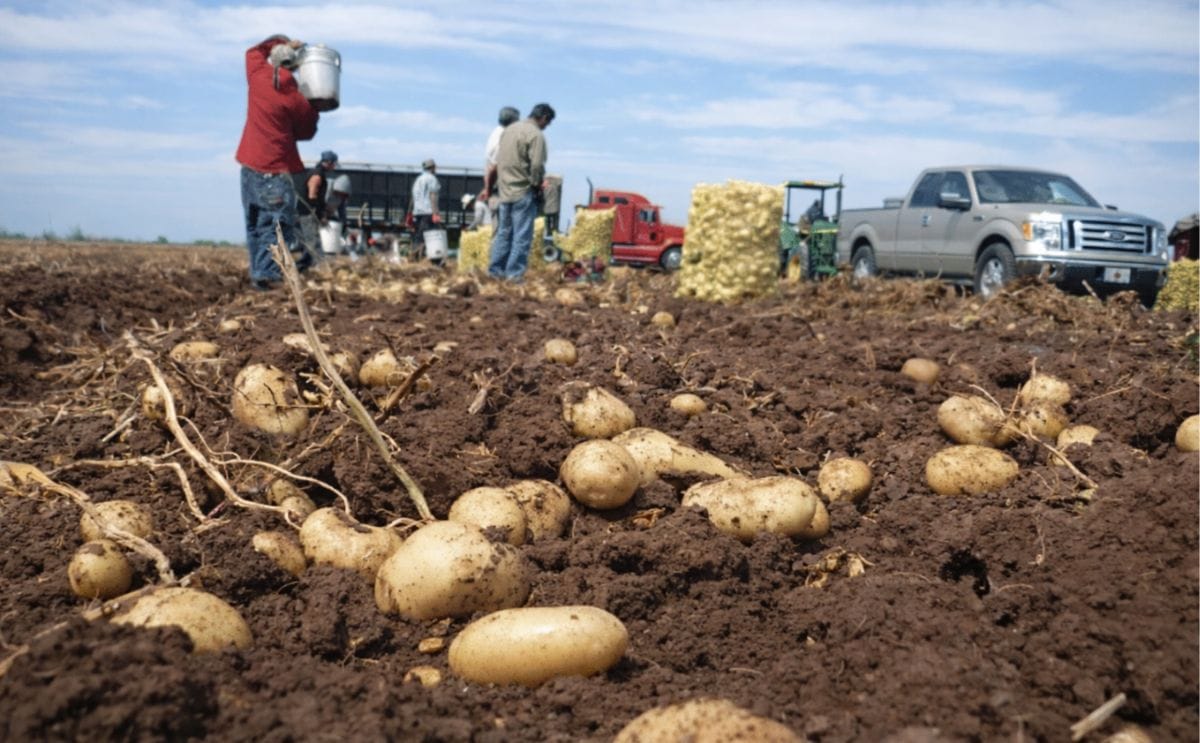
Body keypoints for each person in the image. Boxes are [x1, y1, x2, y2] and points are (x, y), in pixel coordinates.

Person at [235, 34, 321, 290]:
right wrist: (313, 106)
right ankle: (269, 278)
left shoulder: (258, 74)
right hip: (275, 172)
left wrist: (283, 42)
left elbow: (253, 51)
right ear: (294, 67)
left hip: (249, 168)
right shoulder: (295, 97)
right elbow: (307, 132)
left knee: (255, 225)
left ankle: (260, 277)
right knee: (275, 227)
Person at [488, 103, 555, 282]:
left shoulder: (508, 131)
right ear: (544, 118)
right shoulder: (535, 135)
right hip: (523, 192)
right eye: (547, 124)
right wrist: (537, 184)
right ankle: (514, 275)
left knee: (503, 233)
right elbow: (537, 165)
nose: (545, 127)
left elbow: (498, 161)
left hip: (505, 192)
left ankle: (495, 272)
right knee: (521, 236)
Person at [297, 150, 337, 263]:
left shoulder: (318, 173)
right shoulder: (317, 175)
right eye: (333, 163)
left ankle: (306, 266)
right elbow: (312, 195)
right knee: (313, 242)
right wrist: (320, 214)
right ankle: (318, 267)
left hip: (307, 211)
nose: (334, 166)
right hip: (308, 212)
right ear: (329, 162)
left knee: (310, 242)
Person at [482, 106, 520, 223]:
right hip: (499, 191)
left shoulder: (497, 132)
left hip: (497, 190)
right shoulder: (502, 136)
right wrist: (488, 189)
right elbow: (494, 168)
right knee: (501, 230)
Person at [409, 159, 441, 259]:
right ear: (432, 167)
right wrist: (436, 213)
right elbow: (433, 196)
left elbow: (413, 198)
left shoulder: (418, 179)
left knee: (418, 235)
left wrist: (409, 212)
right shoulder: (432, 179)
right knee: (430, 236)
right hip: (428, 212)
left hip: (417, 212)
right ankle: (423, 258)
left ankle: (415, 257)